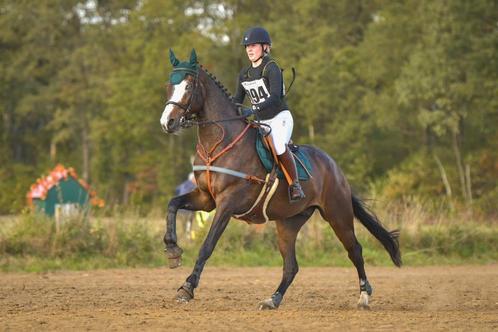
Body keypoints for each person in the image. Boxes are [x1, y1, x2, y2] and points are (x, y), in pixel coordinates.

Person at [233, 26, 305, 202]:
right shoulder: (244, 73)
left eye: (254, 45)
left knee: (279, 146)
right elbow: (237, 99)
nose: (249, 49)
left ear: (265, 47)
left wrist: (254, 109)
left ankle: (295, 185)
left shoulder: (271, 67)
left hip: (280, 118)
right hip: (261, 123)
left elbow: (275, 97)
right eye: (247, 46)